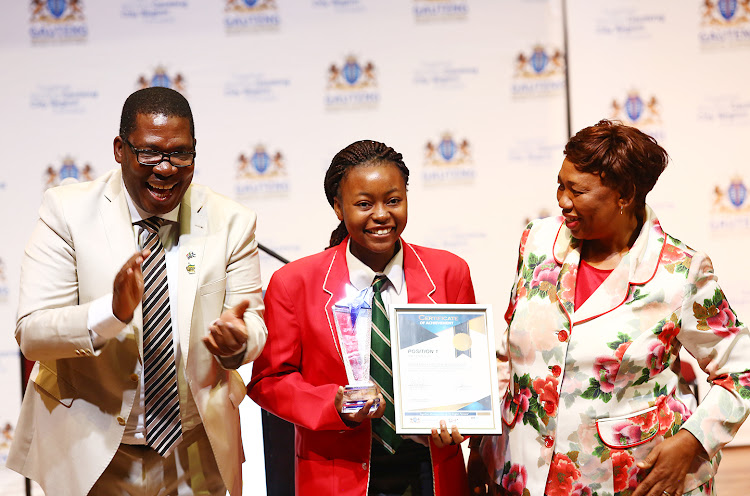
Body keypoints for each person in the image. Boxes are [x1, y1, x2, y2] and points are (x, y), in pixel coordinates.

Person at [7, 87, 267, 496]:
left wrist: (239, 344)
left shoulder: (231, 221)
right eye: (149, 153)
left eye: (180, 154)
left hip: (195, 450)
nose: (165, 169)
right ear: (120, 149)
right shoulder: (67, 212)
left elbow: (252, 323)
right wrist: (112, 313)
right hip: (91, 450)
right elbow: (33, 333)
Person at [470, 119, 750, 496]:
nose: (562, 200)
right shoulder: (537, 241)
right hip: (519, 476)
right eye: (560, 184)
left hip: (627, 482)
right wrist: (483, 445)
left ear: (625, 195)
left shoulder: (680, 272)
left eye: (578, 191)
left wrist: (692, 442)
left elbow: (741, 372)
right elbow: (508, 350)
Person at [248, 140, 473, 496]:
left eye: (393, 200)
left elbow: (465, 376)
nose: (381, 214)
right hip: (337, 473)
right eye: (364, 204)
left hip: (431, 471)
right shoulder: (294, 283)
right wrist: (333, 403)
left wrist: (466, 417)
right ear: (338, 207)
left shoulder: (448, 272)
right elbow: (269, 381)